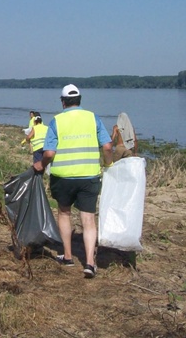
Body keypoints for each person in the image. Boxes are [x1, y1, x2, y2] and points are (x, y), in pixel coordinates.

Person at [33, 84, 113, 279]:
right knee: (88, 219)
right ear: (80, 100)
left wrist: (41, 165)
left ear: (62, 102)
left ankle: (68, 256)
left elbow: (50, 153)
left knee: (64, 213)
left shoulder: (56, 121)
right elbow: (108, 146)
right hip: (89, 176)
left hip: (63, 177)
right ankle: (90, 263)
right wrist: (109, 166)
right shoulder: (92, 117)